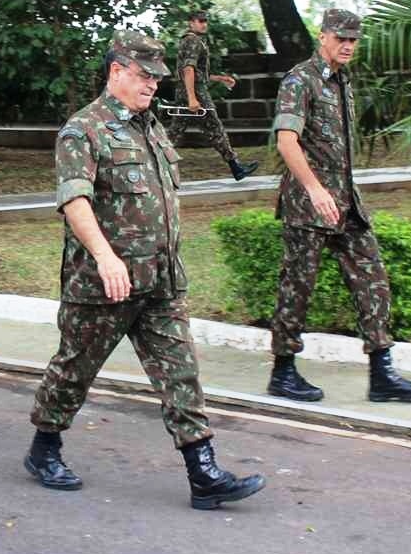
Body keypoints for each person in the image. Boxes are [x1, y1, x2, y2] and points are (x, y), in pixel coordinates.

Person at [24, 30, 266, 510]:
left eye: (157, 77)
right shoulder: (83, 130)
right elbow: (74, 200)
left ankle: (204, 473)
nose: (153, 84)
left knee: (182, 375)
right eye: (143, 75)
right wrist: (105, 255)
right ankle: (44, 447)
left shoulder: (151, 127)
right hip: (103, 284)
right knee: (74, 371)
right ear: (116, 71)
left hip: (160, 281)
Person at [266, 9, 411, 403]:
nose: (347, 45)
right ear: (322, 36)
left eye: (353, 40)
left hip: (347, 203)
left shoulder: (344, 81)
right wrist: (315, 190)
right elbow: (287, 141)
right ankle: (283, 372)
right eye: (340, 37)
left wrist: (336, 193)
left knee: (372, 279)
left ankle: (382, 373)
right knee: (297, 288)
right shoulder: (300, 80)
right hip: (308, 204)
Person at [164, 10, 259, 181]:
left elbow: (197, 72)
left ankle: (154, 162)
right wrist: (193, 98)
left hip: (188, 89)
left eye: (205, 21)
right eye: (200, 21)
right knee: (215, 128)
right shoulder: (193, 40)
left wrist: (220, 78)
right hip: (194, 91)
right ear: (191, 22)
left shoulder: (192, 40)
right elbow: (188, 69)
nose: (204, 24)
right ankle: (236, 168)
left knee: (175, 131)